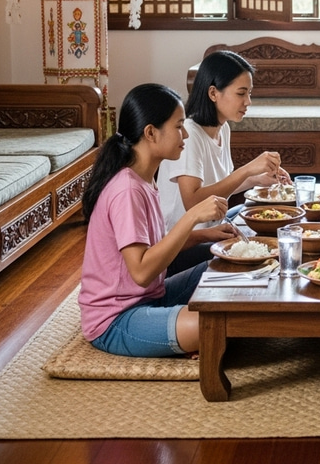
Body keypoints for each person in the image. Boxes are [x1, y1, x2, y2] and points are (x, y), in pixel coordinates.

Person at [78, 83, 228, 357]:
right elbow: (142, 271)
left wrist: (206, 235)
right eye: (178, 126)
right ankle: (184, 333)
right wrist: (192, 217)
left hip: (152, 297)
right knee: (218, 325)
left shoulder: (144, 179)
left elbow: (155, 247)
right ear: (150, 133)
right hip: (116, 319)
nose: (185, 134)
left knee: (226, 268)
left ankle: (177, 330)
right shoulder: (126, 189)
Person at [157, 49, 290, 274]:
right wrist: (247, 170)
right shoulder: (189, 133)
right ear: (213, 93)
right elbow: (194, 201)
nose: (248, 101)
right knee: (264, 254)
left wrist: (258, 179)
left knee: (262, 217)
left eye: (249, 93)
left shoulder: (222, 128)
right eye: (241, 93)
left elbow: (219, 185)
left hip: (212, 227)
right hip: (182, 244)